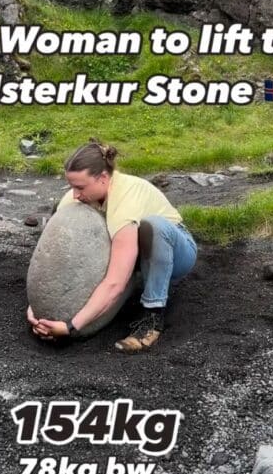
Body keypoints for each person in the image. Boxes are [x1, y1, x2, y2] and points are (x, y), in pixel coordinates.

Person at [26, 141, 199, 352]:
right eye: (71, 186)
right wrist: (38, 311)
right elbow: (52, 262)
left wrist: (70, 326)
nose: (75, 195)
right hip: (131, 253)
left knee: (153, 226)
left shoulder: (125, 199)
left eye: (80, 187)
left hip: (175, 253)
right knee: (63, 214)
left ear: (103, 179)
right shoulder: (74, 199)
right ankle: (134, 283)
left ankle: (152, 318)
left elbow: (115, 282)